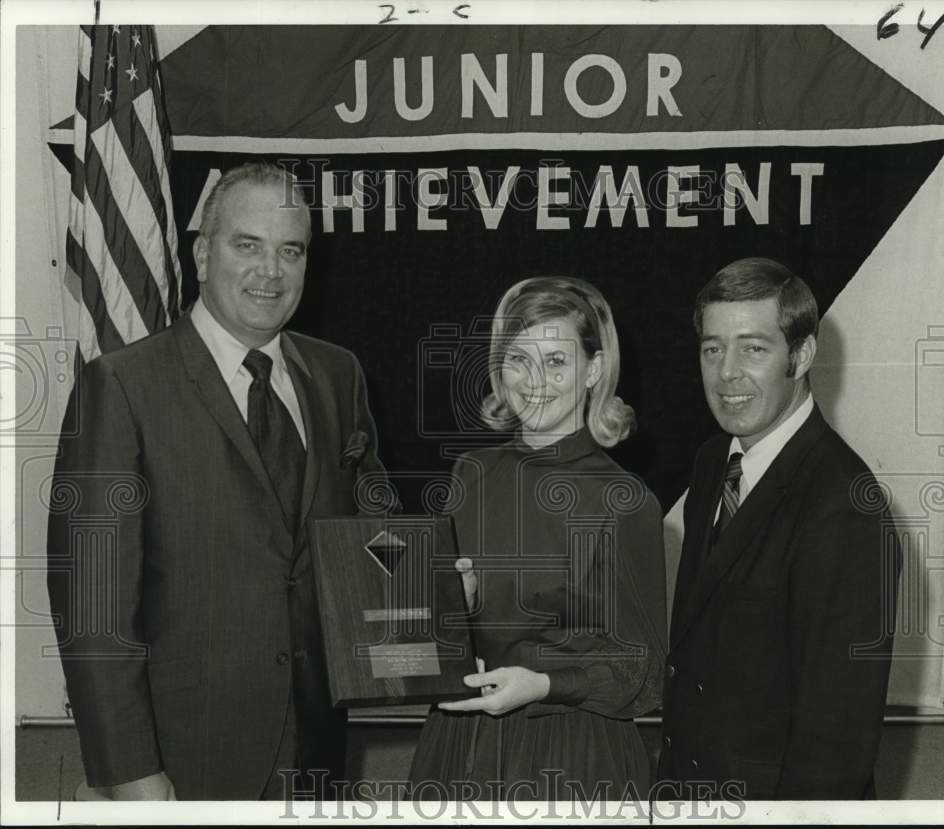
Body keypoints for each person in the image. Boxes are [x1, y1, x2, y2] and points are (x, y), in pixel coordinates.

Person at [46, 162, 386, 800]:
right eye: (247, 245)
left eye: (291, 251)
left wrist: (435, 580)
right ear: (203, 254)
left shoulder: (338, 374)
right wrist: (130, 773)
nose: (271, 271)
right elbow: (91, 601)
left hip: (318, 749)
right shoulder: (121, 387)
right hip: (183, 758)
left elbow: (372, 524)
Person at [408, 277, 667, 801]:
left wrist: (544, 683)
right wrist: (455, 607)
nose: (534, 380)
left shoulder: (625, 500)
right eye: (519, 359)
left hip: (572, 755)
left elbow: (644, 673)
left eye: (556, 361)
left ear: (594, 370)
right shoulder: (471, 473)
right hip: (462, 744)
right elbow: (443, 633)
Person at [656, 257, 899, 800]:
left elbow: (839, 737)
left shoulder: (846, 503)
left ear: (802, 353)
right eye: (712, 348)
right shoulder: (713, 460)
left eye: (754, 348)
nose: (727, 373)